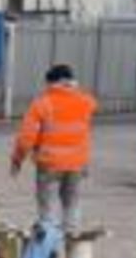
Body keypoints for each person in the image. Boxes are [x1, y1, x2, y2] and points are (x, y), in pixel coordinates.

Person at [10, 63, 97, 235]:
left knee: (47, 208)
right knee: (71, 203)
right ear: (72, 81)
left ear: (50, 83)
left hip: (49, 164)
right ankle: (72, 247)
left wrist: (17, 160)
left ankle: (50, 249)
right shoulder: (86, 102)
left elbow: (26, 139)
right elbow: (87, 113)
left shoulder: (42, 104)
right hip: (76, 164)